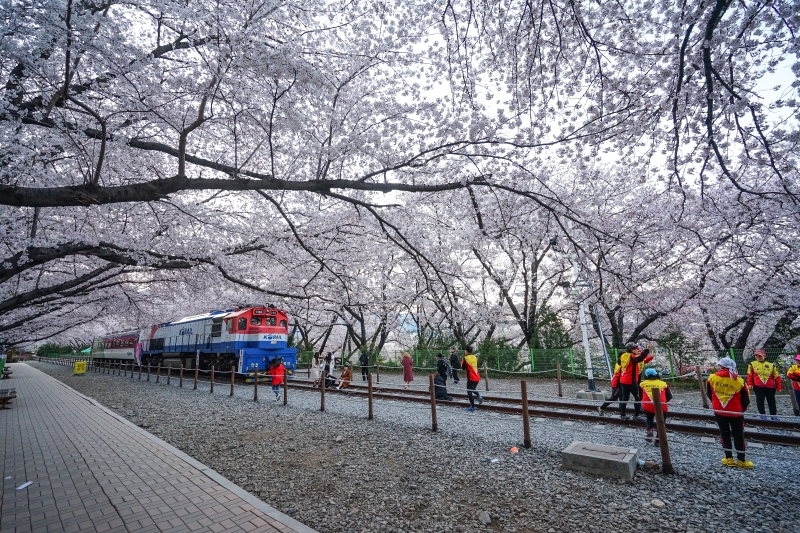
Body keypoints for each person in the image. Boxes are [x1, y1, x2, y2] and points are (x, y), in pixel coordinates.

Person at [707, 357, 753, 468]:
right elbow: (746, 399)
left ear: (721, 367)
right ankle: (741, 460)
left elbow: (709, 393)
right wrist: (742, 409)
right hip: (736, 413)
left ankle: (729, 458)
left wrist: (716, 404)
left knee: (724, 433)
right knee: (738, 435)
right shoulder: (739, 381)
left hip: (719, 411)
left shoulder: (712, 378)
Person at [617, 344, 653, 420]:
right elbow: (639, 359)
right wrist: (647, 350)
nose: (638, 350)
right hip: (631, 381)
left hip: (623, 380)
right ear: (632, 350)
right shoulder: (631, 356)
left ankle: (622, 415)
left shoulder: (624, 355)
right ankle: (636, 416)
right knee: (638, 398)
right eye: (636, 349)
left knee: (624, 398)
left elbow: (640, 359)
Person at [746, 348, 782, 421]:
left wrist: (779, 386)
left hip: (770, 387)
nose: (758, 357)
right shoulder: (752, 364)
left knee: (771, 401)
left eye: (760, 356)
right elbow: (749, 375)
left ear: (764, 356)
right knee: (760, 401)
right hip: (758, 387)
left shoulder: (771, 365)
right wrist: (750, 383)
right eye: (756, 356)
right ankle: (762, 415)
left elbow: (777, 376)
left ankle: (773, 416)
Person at [640, 368, 672, 445]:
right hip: (662, 406)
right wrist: (664, 402)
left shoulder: (642, 384)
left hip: (648, 406)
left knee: (649, 418)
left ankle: (650, 430)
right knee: (661, 422)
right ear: (656, 375)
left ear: (646, 376)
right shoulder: (663, 384)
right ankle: (658, 441)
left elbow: (640, 396)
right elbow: (669, 396)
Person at [462, 346, 483, 411]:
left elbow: (462, 367)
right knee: (473, 389)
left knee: (469, 392)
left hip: (471, 377)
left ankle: (472, 407)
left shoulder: (465, 358)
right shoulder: (474, 357)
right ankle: (479, 396)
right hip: (477, 376)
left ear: (466, 351)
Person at [786, 351, 800, 416]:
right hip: (797, 388)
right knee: (799, 403)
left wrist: (795, 374)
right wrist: (797, 378)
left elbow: (792, 374)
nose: (798, 362)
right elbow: (789, 374)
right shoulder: (793, 367)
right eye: (797, 360)